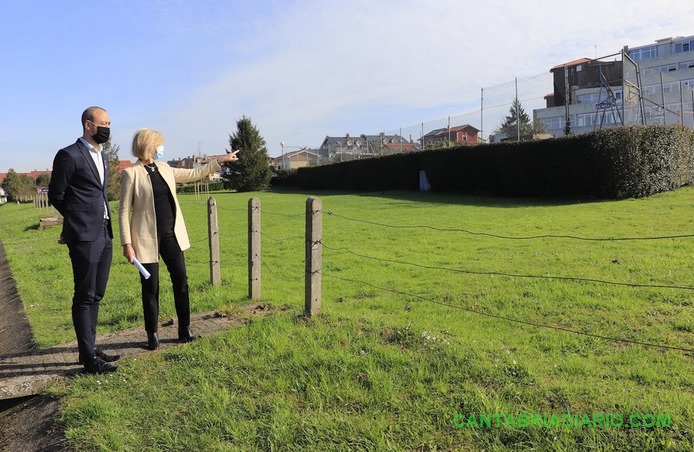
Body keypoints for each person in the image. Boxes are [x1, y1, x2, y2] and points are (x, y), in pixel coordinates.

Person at [119, 128, 239, 350]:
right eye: (158, 144)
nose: (161, 148)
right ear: (149, 145)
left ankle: (185, 330)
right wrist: (127, 243)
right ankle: (152, 335)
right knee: (151, 288)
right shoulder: (131, 174)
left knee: (181, 283)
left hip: (172, 236)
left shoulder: (164, 168)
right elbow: (124, 210)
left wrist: (221, 160)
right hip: (145, 240)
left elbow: (194, 174)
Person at [48, 106, 120, 374]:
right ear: (88, 125)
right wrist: (75, 222)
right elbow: (57, 195)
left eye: (110, 123)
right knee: (84, 294)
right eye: (103, 123)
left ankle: (88, 348)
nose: (108, 128)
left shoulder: (103, 157)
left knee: (97, 293)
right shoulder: (69, 155)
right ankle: (89, 359)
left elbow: (98, 193)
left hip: (104, 231)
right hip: (84, 235)